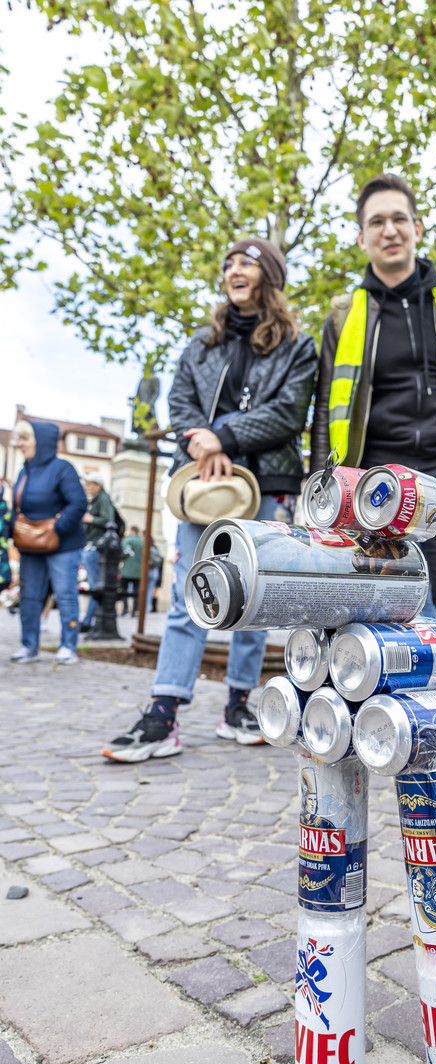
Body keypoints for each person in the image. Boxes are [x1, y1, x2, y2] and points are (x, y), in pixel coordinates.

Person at [103, 236, 317, 762]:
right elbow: (180, 401)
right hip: (202, 483)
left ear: (269, 274)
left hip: (263, 482)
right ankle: (163, 711)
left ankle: (239, 704)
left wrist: (222, 435)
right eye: (228, 263)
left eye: (246, 262)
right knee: (190, 595)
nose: (233, 270)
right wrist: (202, 442)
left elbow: (289, 412)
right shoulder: (202, 341)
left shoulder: (297, 344)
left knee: (255, 596)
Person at [311, 173, 436, 621]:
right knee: (373, 607)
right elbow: (325, 405)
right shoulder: (342, 316)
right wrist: (320, 485)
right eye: (377, 222)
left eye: (399, 219)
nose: (390, 230)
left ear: (417, 229)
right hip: (372, 475)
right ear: (362, 237)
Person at [9, 419, 87, 664]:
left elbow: (78, 503)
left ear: (40, 442)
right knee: (29, 596)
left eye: (25, 439)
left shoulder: (62, 468)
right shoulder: (24, 471)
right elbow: (19, 507)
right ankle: (29, 646)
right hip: (31, 545)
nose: (19, 444)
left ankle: (68, 647)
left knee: (65, 595)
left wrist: (57, 529)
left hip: (63, 544)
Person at [80, 474, 116, 631]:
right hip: (93, 546)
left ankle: (88, 621)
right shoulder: (96, 500)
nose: (86, 486)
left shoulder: (103, 499)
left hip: (96, 548)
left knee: (96, 587)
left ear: (98, 485)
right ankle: (89, 620)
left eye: (89, 484)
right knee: (95, 586)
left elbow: (109, 520)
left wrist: (91, 519)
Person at [119, 525, 144, 616]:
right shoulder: (143, 541)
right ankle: (134, 611)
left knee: (124, 590)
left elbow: (123, 553)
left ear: (132, 531)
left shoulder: (127, 540)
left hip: (127, 570)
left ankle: (125, 608)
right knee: (136, 592)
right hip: (139, 571)